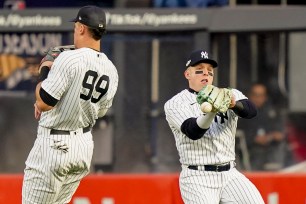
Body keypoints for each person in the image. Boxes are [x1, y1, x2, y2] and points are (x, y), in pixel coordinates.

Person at [22, 5, 119, 204]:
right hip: (82, 147)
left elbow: (43, 103)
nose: (75, 30)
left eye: (76, 26)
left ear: (82, 28)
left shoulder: (69, 58)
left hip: (54, 146)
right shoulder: (111, 69)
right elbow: (100, 111)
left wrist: (44, 70)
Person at [164, 49, 264, 203]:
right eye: (199, 70)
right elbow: (193, 131)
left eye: (210, 71)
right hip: (197, 177)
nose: (206, 74)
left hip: (230, 173)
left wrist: (232, 104)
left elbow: (251, 111)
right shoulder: (175, 103)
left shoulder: (228, 94)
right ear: (187, 74)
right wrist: (211, 112)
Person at [238, 83, 286, 171]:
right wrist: (253, 139)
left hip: (272, 149)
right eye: (255, 95)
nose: (258, 98)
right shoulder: (241, 113)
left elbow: (281, 131)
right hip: (250, 152)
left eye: (261, 95)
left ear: (265, 97)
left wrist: (274, 135)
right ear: (249, 95)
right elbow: (238, 135)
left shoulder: (273, 112)